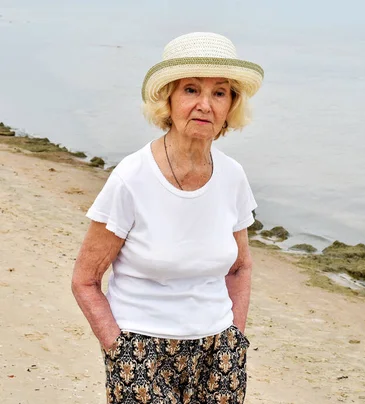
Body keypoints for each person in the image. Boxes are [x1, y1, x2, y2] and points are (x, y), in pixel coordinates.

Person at [71, 32, 264, 403]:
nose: (205, 105)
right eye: (191, 90)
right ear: (169, 100)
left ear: (231, 107)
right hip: (141, 348)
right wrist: (118, 348)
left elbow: (240, 267)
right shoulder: (132, 177)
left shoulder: (233, 175)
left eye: (219, 93)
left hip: (219, 350)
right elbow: (85, 280)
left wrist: (235, 337)